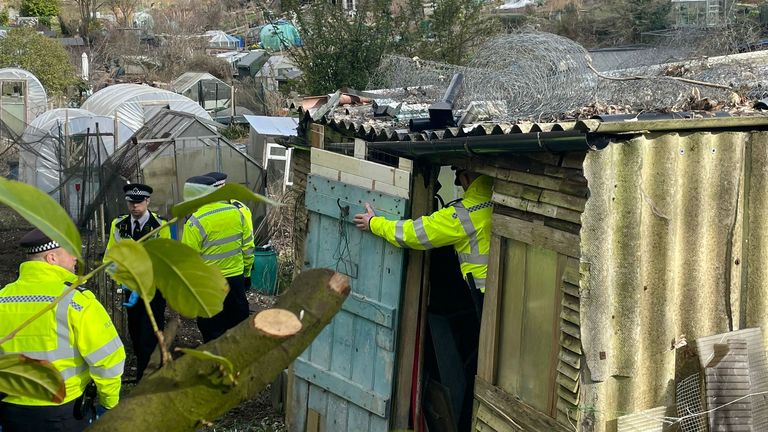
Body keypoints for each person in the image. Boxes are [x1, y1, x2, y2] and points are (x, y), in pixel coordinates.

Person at [0, 229, 125, 431]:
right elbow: (109, 361)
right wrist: (108, 404)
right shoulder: (77, 302)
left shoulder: (3, 299)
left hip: (11, 413)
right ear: (52, 258)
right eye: (70, 251)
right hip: (64, 415)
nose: (76, 257)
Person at [353, 167, 493, 316]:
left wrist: (374, 223)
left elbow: (414, 234)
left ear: (465, 178)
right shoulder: (495, 202)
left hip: (484, 294)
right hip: (503, 290)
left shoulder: (465, 213)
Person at [105, 183, 170, 381]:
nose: (134, 206)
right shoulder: (119, 226)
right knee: (135, 330)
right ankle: (145, 368)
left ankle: (149, 374)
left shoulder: (160, 226)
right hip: (131, 288)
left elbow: (165, 259)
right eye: (131, 203)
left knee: (151, 330)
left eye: (139, 202)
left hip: (153, 289)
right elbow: (110, 258)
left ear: (147, 201)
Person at [181, 175, 255, 342]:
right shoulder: (237, 212)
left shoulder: (195, 222)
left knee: (212, 329)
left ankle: (216, 364)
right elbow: (248, 247)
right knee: (238, 327)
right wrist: (247, 274)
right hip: (236, 280)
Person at [204, 171, 255, 291]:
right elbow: (248, 245)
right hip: (235, 275)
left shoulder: (201, 213)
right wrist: (247, 273)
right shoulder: (240, 209)